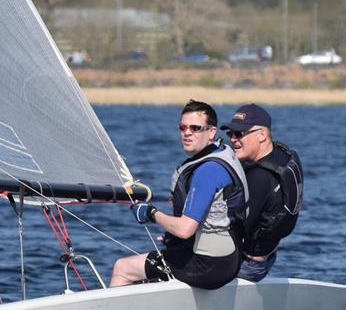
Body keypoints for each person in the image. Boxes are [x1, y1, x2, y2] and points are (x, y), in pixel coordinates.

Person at [110, 100, 248, 290]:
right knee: (157, 261)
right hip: (229, 259)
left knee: (123, 268)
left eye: (195, 128)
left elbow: (185, 229)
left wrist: (151, 214)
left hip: (208, 265)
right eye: (182, 127)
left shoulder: (208, 170)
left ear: (211, 132)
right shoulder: (224, 152)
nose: (187, 133)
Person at [220, 104, 303, 282]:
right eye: (230, 134)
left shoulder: (259, 178)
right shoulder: (284, 155)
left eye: (240, 134)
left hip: (246, 266)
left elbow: (231, 231)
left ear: (262, 135)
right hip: (267, 257)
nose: (233, 139)